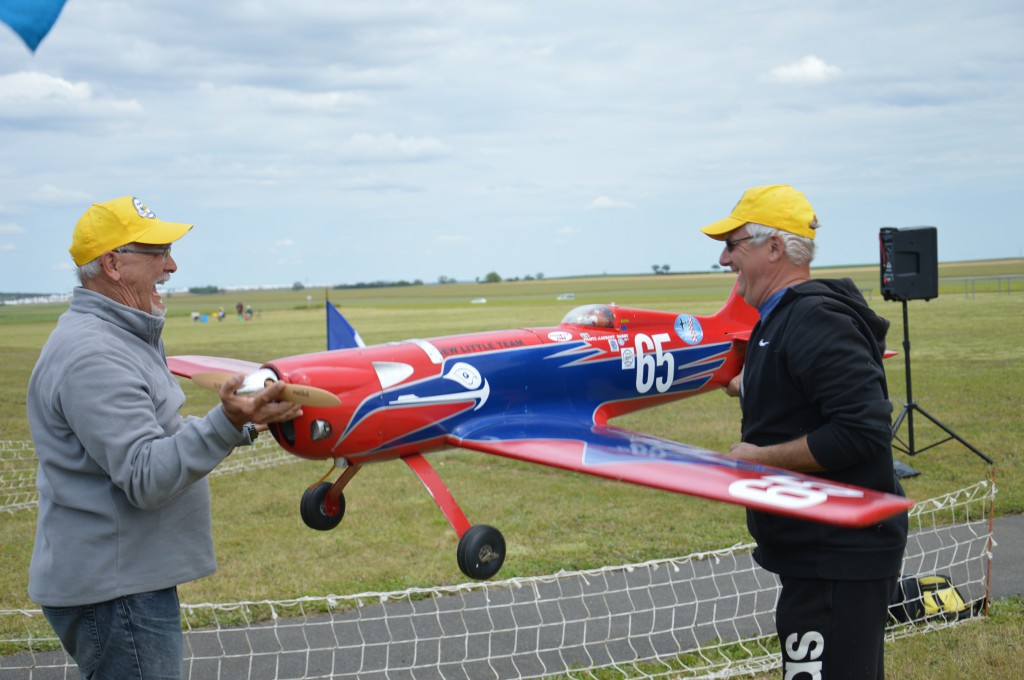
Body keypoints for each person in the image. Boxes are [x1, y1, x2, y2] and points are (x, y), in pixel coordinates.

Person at [27, 196, 303, 680]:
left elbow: (156, 440)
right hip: (116, 592)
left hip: (120, 581)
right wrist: (224, 422)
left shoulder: (117, 336)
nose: (171, 265)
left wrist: (240, 422)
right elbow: (145, 476)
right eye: (158, 252)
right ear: (113, 264)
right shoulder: (95, 354)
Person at [699, 185, 908, 679]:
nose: (724, 258)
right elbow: (808, 391)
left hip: (838, 554)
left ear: (774, 249)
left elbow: (862, 432)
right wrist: (750, 385)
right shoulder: (782, 318)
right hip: (817, 554)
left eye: (735, 244)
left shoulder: (815, 319)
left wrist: (762, 458)